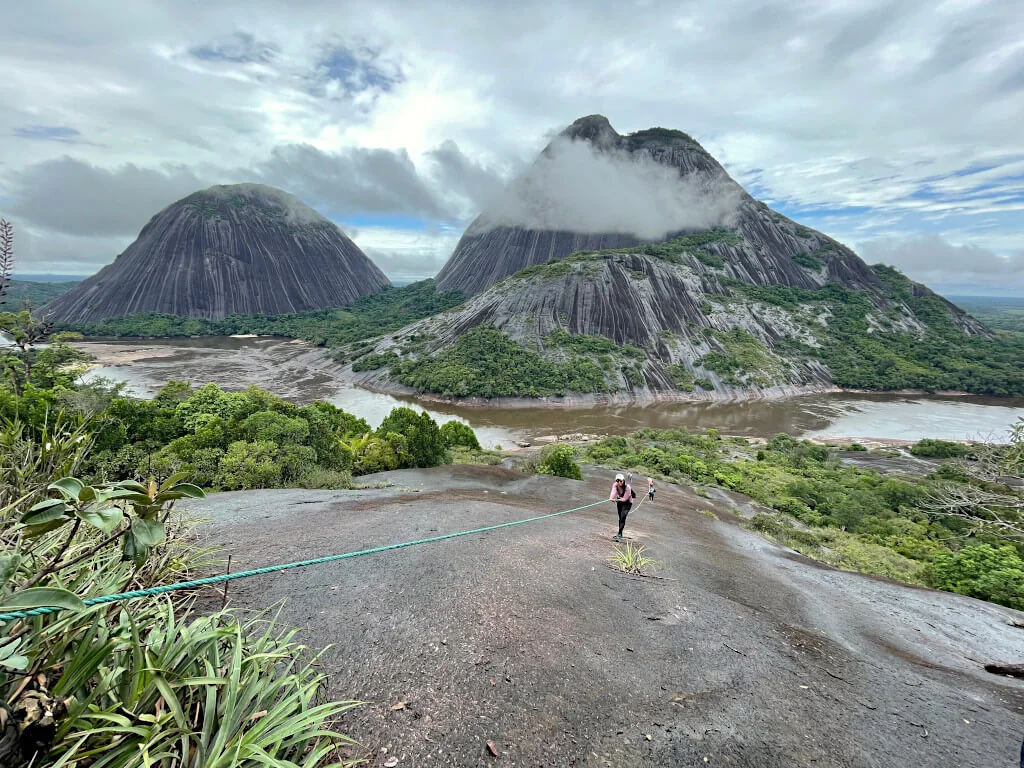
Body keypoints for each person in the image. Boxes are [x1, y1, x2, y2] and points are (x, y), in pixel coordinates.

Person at [609, 473, 633, 541]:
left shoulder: (627, 487)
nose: (619, 482)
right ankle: (620, 533)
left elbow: (625, 499)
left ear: (623, 480)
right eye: (617, 481)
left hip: (627, 503)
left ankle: (619, 534)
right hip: (620, 502)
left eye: (620, 481)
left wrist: (615, 500)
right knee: (620, 517)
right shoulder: (615, 484)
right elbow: (613, 491)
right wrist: (611, 497)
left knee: (623, 516)